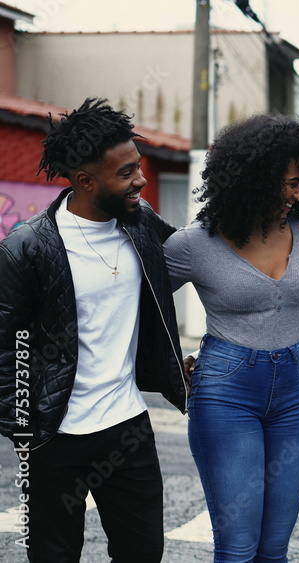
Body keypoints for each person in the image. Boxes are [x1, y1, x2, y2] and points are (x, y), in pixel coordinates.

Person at [0, 98, 187, 561]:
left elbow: (199, 256)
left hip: (127, 429)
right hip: (53, 436)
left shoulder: (142, 225)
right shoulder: (27, 247)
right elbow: (4, 347)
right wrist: (23, 429)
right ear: (85, 181)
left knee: (142, 553)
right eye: (126, 173)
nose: (140, 180)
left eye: (138, 167)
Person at [164, 114, 299, 562]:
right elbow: (135, 302)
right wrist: (169, 364)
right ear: (253, 179)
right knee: (238, 548)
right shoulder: (194, 245)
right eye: (289, 183)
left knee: (274, 550)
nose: (298, 194)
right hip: (226, 398)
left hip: (297, 401)